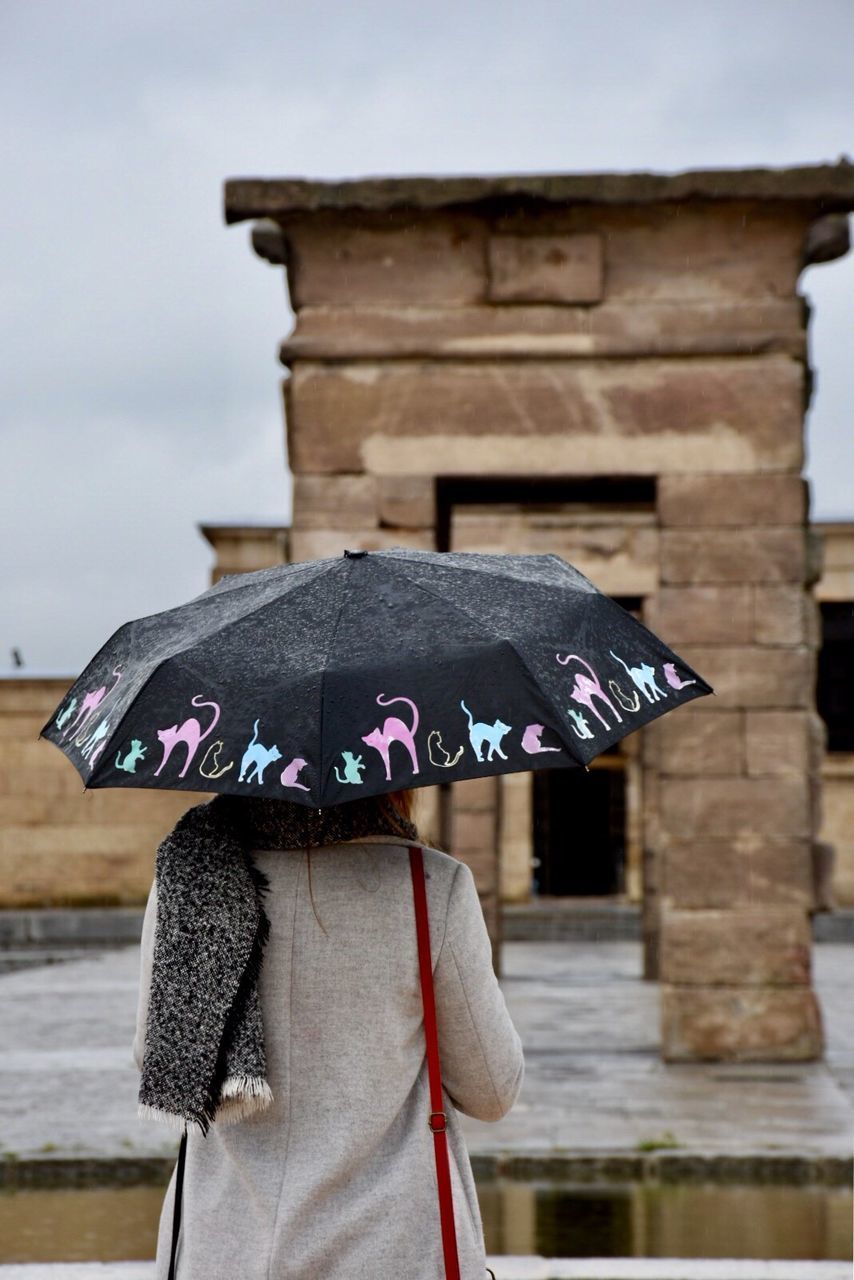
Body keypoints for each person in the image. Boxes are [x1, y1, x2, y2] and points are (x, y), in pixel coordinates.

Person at [134, 790, 524, 1279]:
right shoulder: (430, 886)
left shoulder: (188, 880)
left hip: (225, 1246)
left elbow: (157, 1058)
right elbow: (491, 1089)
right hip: (390, 1249)